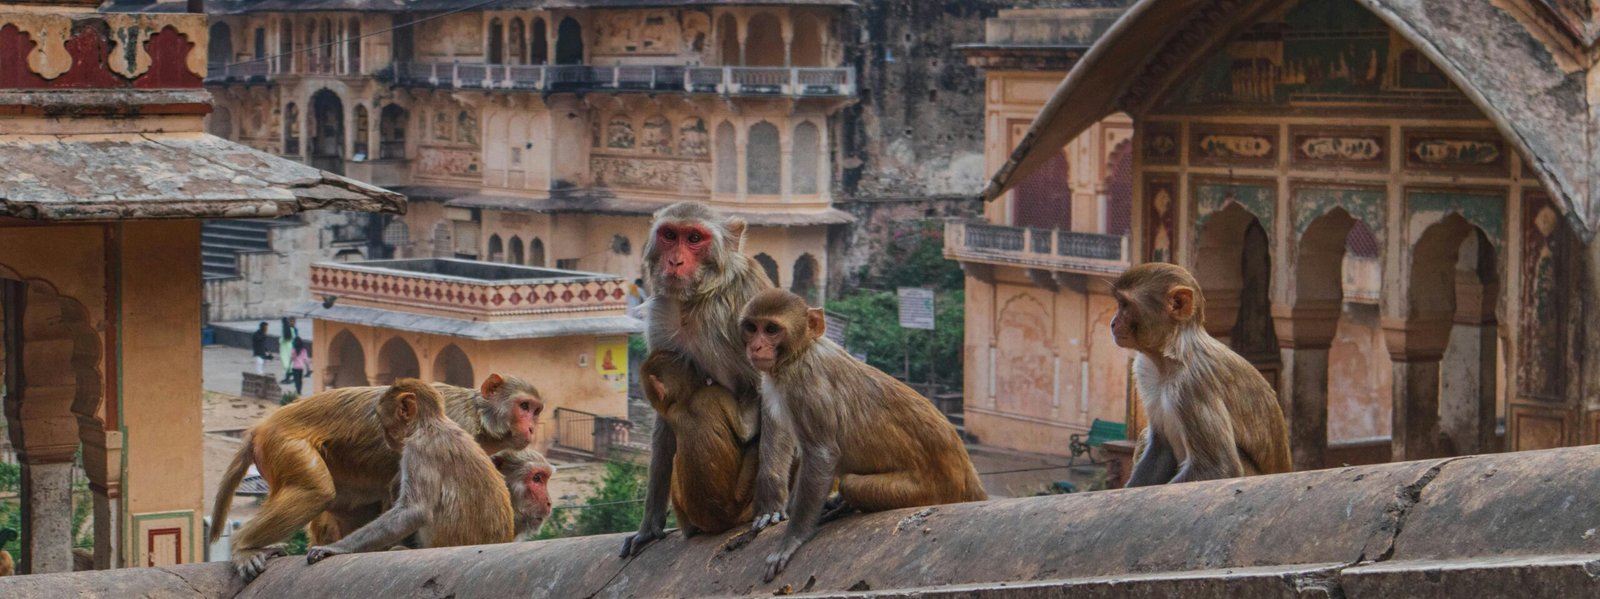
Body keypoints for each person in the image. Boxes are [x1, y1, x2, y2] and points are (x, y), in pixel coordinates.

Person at [279, 317, 298, 383]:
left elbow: (282, 340)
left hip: (285, 349)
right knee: (289, 364)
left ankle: (288, 378)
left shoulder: (285, 330)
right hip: (290, 348)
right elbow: (295, 338)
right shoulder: (292, 329)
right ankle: (290, 378)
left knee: (286, 364)